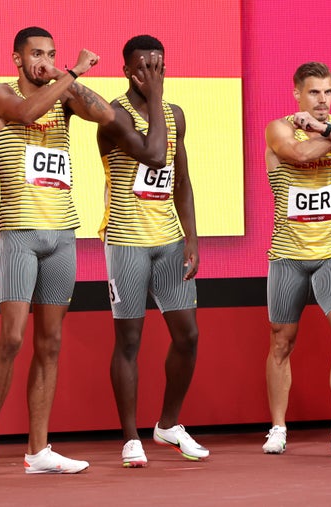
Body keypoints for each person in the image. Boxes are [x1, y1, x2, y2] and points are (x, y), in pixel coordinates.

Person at [0, 26, 114, 477]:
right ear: (17, 58)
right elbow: (27, 114)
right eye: (36, 55)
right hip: (20, 232)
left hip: (63, 232)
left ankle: (39, 450)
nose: (43, 61)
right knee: (11, 338)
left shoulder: (63, 93)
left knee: (51, 343)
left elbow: (105, 116)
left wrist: (73, 80)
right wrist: (69, 74)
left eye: (50, 54)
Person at [96, 35, 208, 467]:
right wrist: (157, 99)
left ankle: (168, 424)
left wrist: (192, 239)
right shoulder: (111, 115)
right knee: (129, 339)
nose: (153, 74)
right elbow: (156, 155)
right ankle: (130, 437)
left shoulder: (175, 115)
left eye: (159, 66)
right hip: (125, 241)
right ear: (127, 71)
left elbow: (180, 179)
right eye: (144, 67)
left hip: (167, 241)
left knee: (189, 335)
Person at [262, 62, 331, 457]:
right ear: (297, 93)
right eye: (314, 93)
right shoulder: (279, 127)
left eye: (327, 92)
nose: (322, 100)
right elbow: (298, 155)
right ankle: (277, 427)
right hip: (287, 254)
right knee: (281, 341)